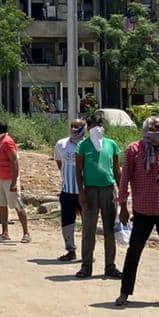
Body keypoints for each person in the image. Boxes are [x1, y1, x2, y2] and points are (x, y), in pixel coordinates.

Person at [115, 116, 159, 306]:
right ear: (146, 129)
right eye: (156, 127)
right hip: (142, 209)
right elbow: (125, 178)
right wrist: (123, 206)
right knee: (134, 251)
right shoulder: (134, 150)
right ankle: (125, 292)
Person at [75, 112, 122, 279]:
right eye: (93, 126)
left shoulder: (111, 144)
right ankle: (86, 267)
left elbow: (116, 169)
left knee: (110, 229)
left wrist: (122, 191)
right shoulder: (83, 146)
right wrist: (81, 193)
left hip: (109, 190)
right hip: (90, 191)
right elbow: (78, 171)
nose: (97, 129)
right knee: (89, 229)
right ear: (88, 128)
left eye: (99, 125)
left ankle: (110, 266)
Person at [0, 120, 29, 242]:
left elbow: (14, 162)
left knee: (18, 205)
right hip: (1, 178)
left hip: (9, 179)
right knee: (2, 205)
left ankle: (26, 233)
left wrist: (13, 182)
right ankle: (5, 233)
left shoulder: (8, 142)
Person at [53, 119, 85, 261]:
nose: (73, 129)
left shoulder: (88, 145)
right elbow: (59, 163)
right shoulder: (61, 144)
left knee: (87, 223)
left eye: (77, 127)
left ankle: (87, 252)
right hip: (67, 191)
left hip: (85, 192)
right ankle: (71, 250)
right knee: (67, 222)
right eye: (72, 126)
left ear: (84, 128)